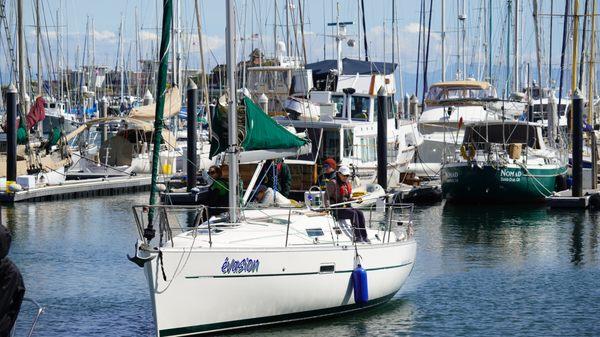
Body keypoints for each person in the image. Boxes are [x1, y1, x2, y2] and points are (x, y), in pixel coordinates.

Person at [326, 165, 369, 243]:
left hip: (346, 207)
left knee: (360, 213)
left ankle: (364, 236)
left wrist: (355, 200)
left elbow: (347, 198)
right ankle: (358, 237)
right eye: (344, 175)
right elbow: (326, 197)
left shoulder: (346, 183)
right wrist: (327, 208)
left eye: (347, 175)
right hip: (337, 209)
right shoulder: (332, 183)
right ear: (339, 174)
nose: (346, 177)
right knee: (353, 214)